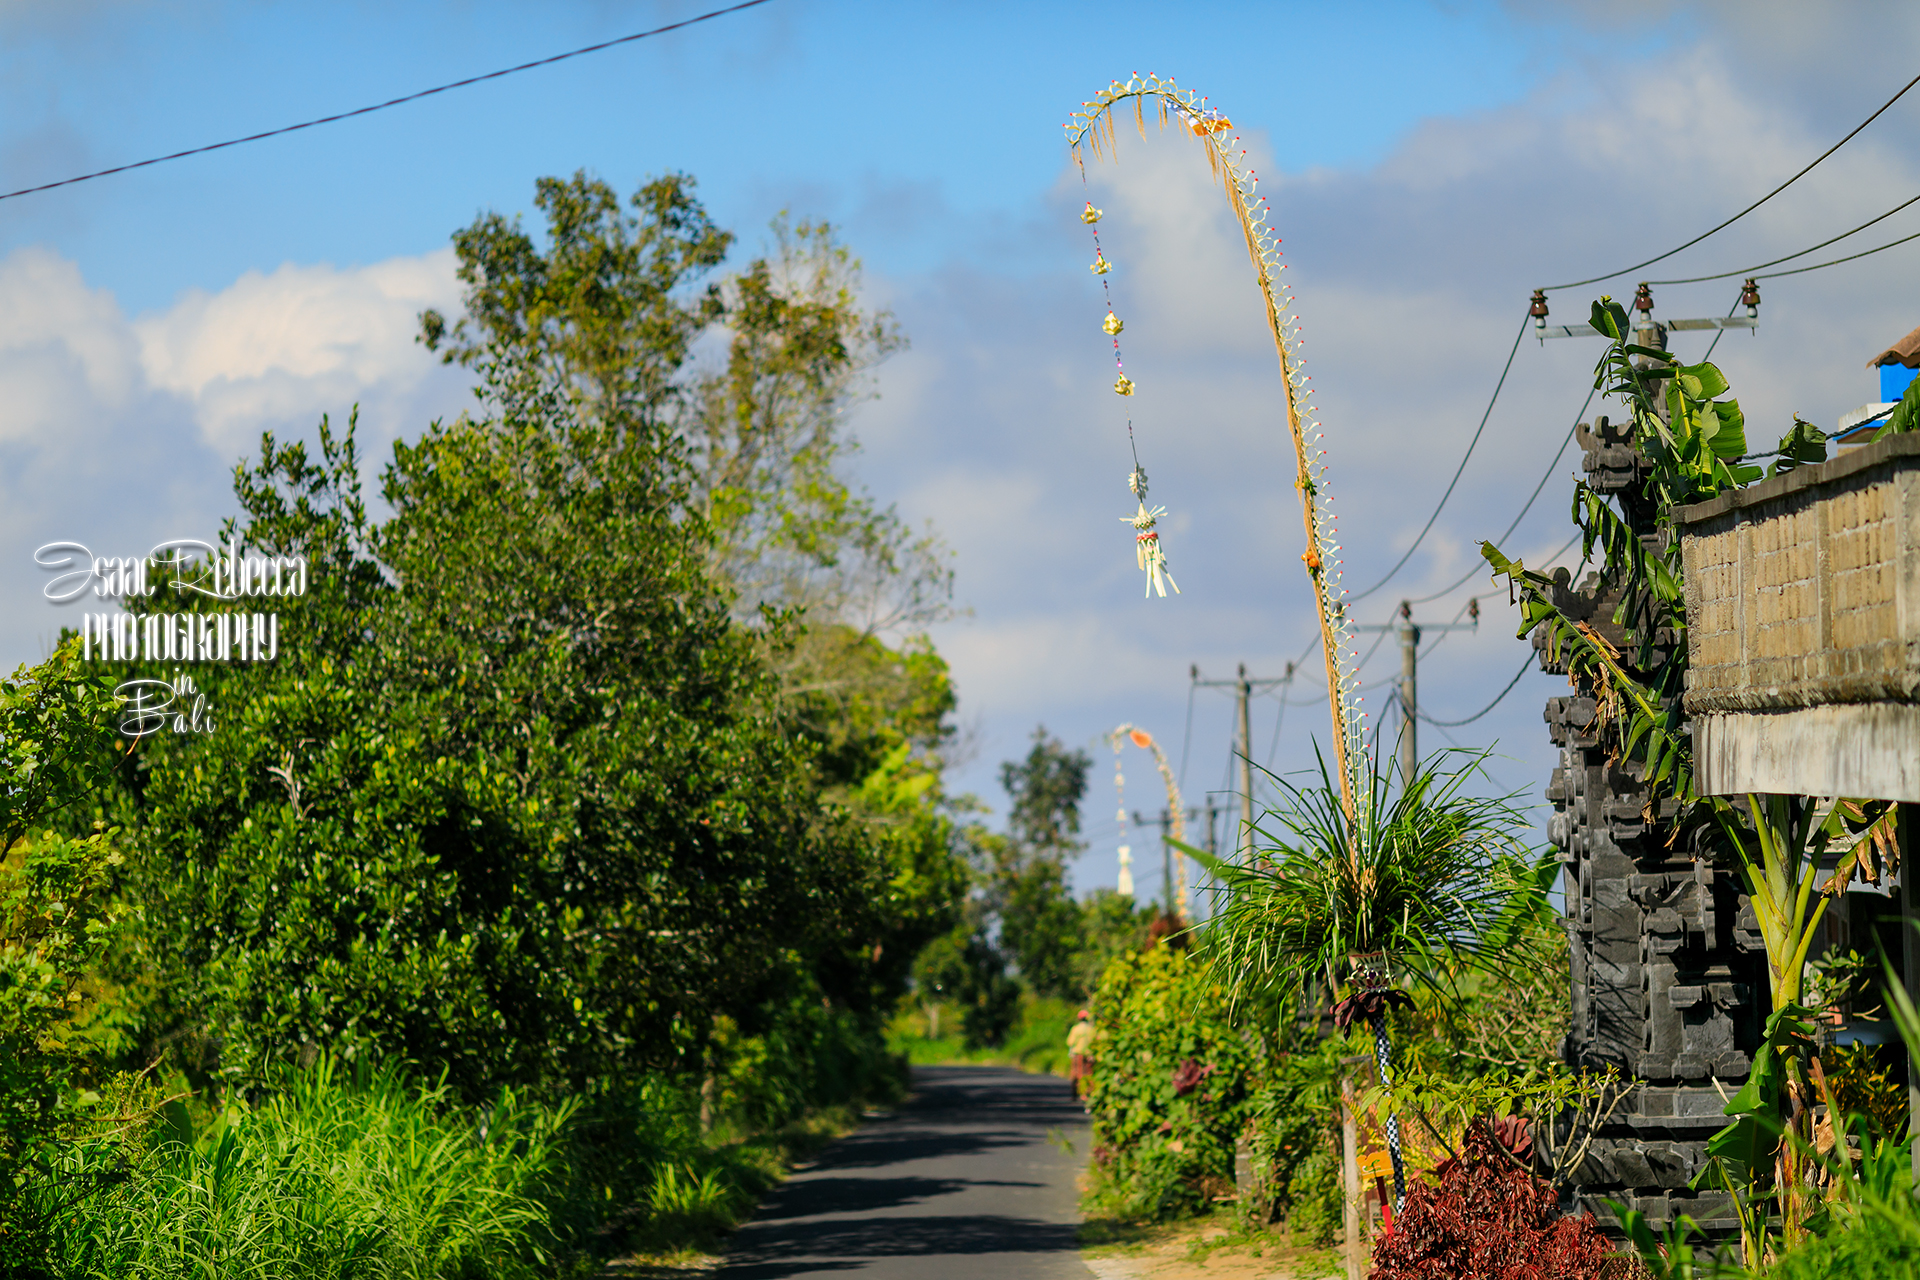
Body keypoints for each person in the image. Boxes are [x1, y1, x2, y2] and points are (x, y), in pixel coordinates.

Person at [1066, 1009, 1095, 1096]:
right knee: (1089, 1073)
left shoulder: (1076, 1029)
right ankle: (1088, 1092)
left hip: (1078, 1054)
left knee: (1077, 1073)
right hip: (1089, 1054)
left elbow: (1070, 1042)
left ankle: (1077, 1092)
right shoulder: (1092, 1029)